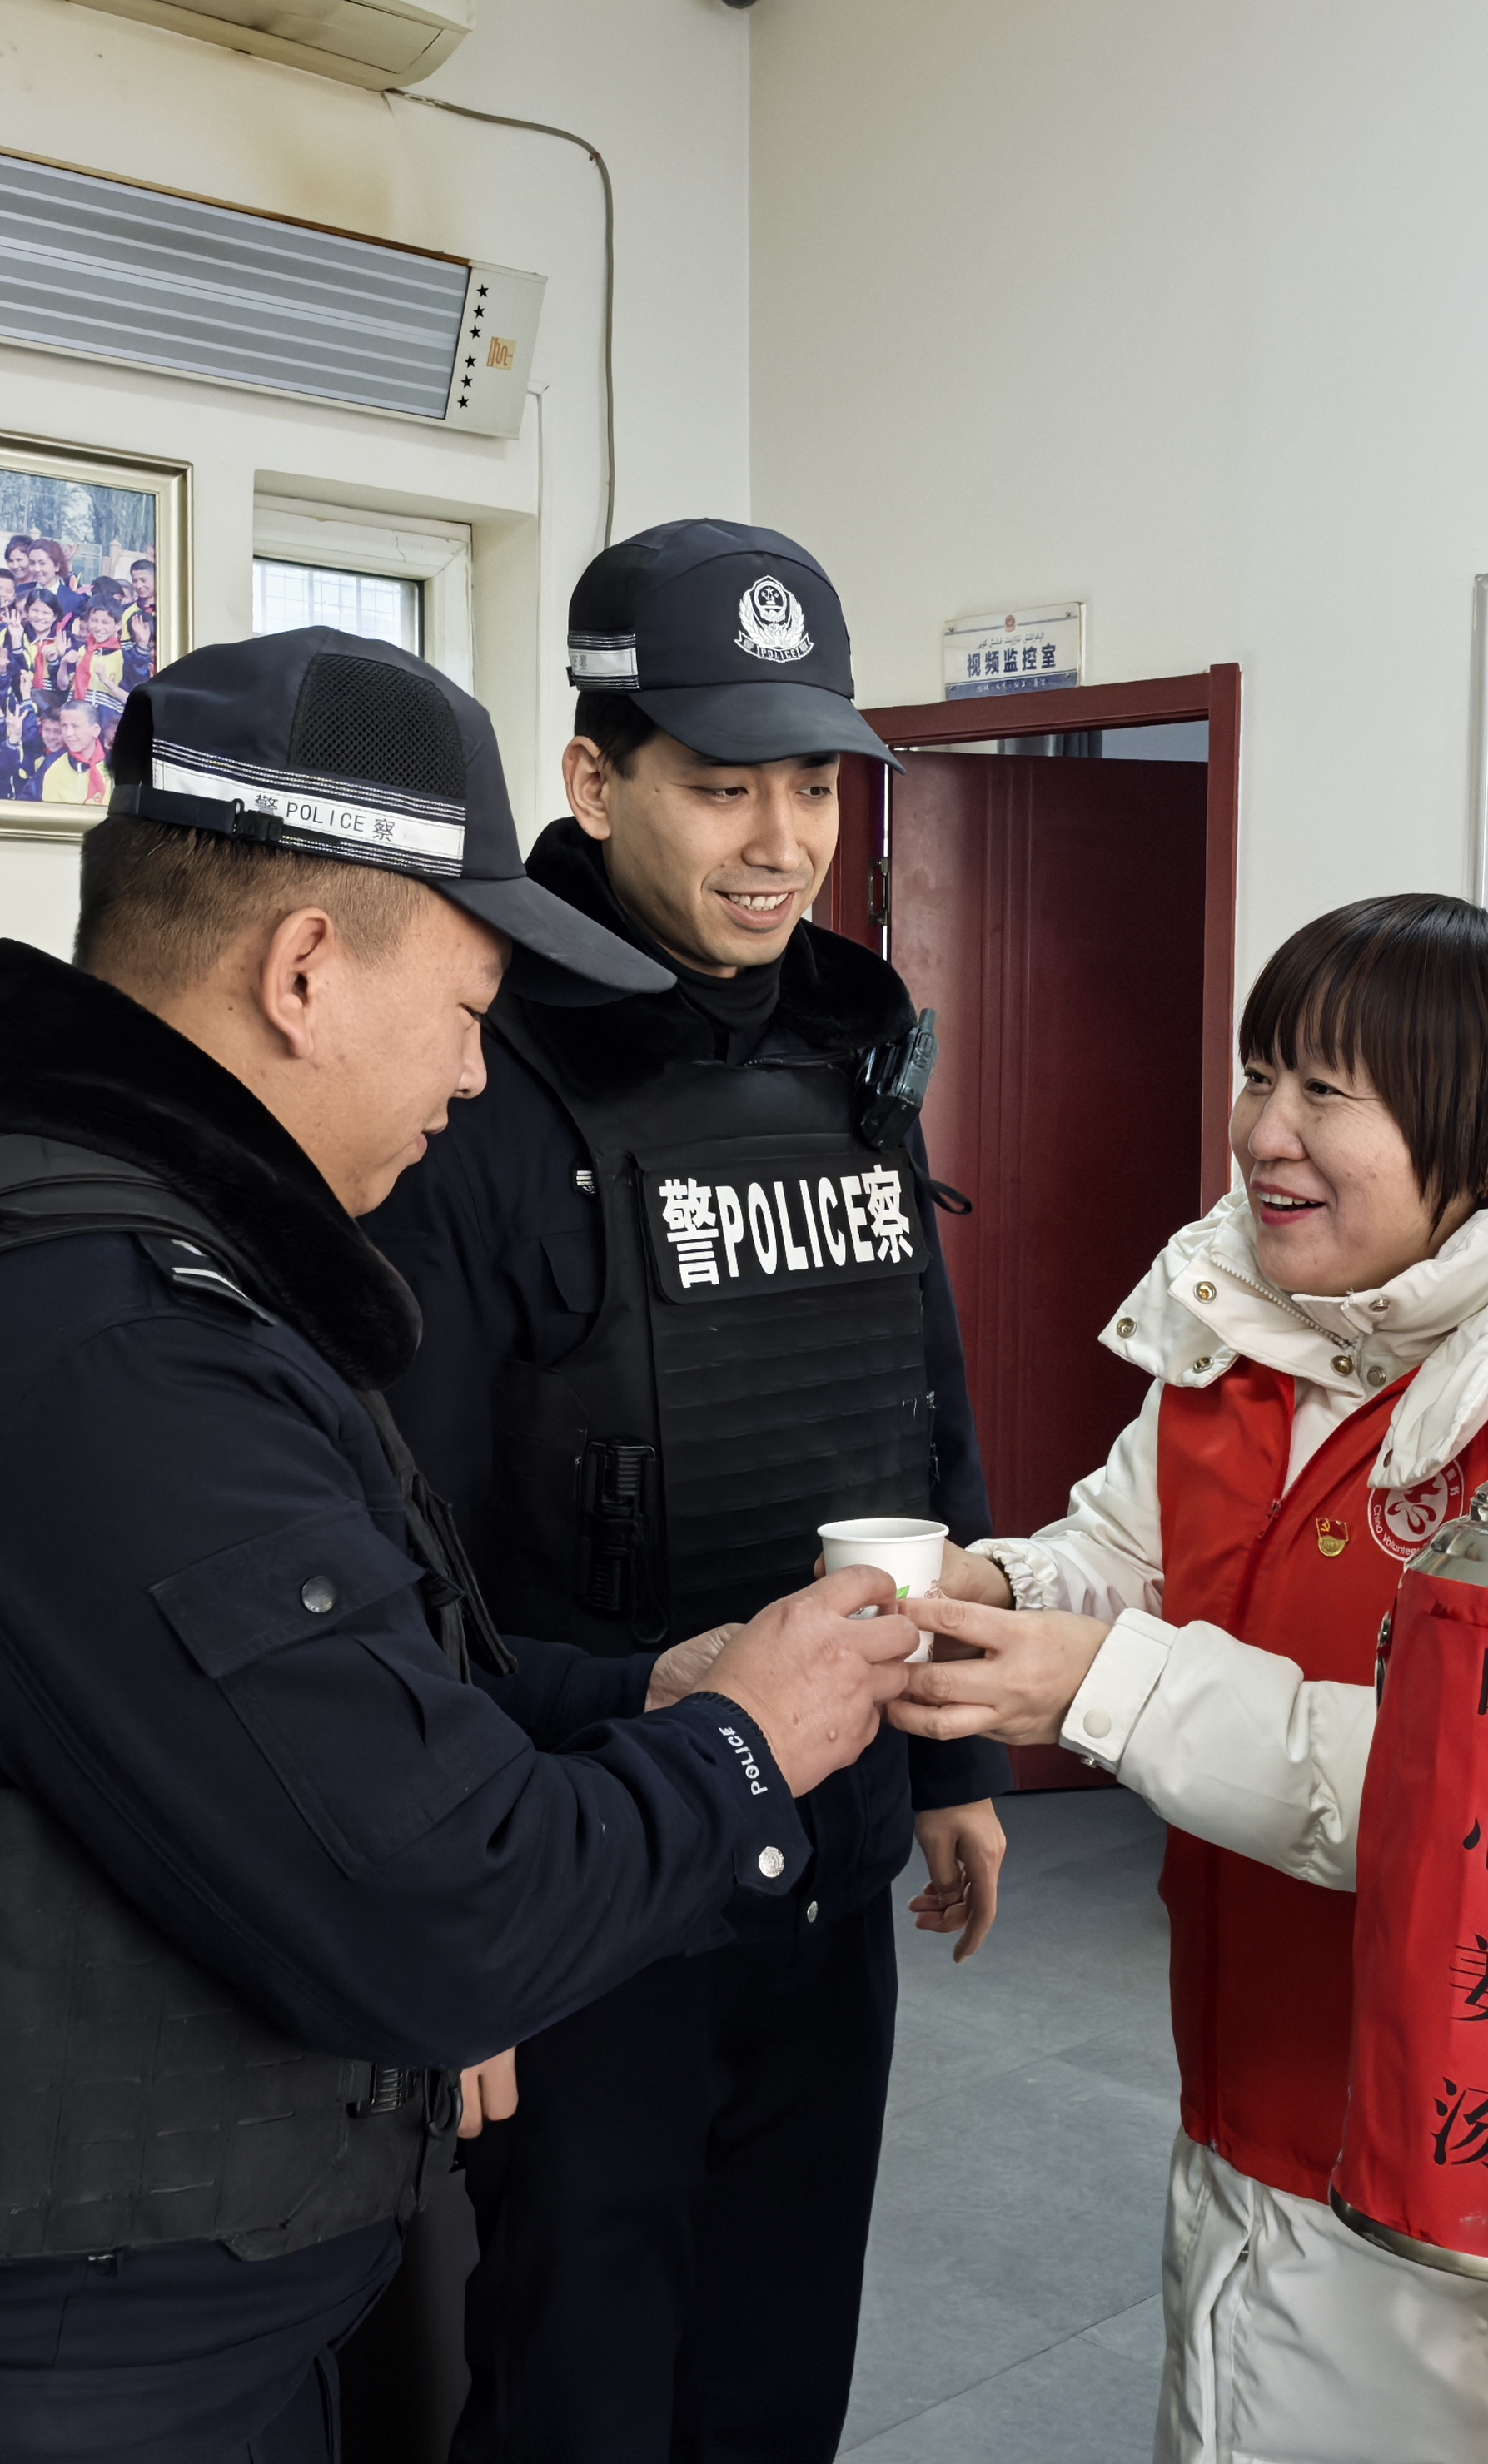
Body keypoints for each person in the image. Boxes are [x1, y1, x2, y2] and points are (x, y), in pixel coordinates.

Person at [0, 625, 929, 2462]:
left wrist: (639, 1689)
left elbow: (319, 1722)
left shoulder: (97, 1263)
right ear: (304, 971)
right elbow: (441, 1910)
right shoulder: (108, 1360)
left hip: (90, 2352)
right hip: (15, 2398)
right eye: (468, 1011)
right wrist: (745, 1747)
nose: (473, 1078)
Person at [889, 892, 1488, 2464]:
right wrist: (999, 1591)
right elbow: (1128, 1548)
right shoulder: (1249, 1319)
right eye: (1259, 1075)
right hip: (1242, 2107)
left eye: (1325, 1091)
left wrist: (1108, 1690)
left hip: (1483, 2186)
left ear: (1481, 1129)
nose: (1262, 1133)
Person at [361, 519, 1011, 2464]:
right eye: (723, 786)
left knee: (777, 2359)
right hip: (588, 1859)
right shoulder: (477, 1064)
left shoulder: (845, 1039)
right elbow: (399, 1545)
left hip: (835, 1827)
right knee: (579, 2373)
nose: (779, 842)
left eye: (811, 785)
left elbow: (917, 1397)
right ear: (594, 779)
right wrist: (440, 1926)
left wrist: (958, 1752)